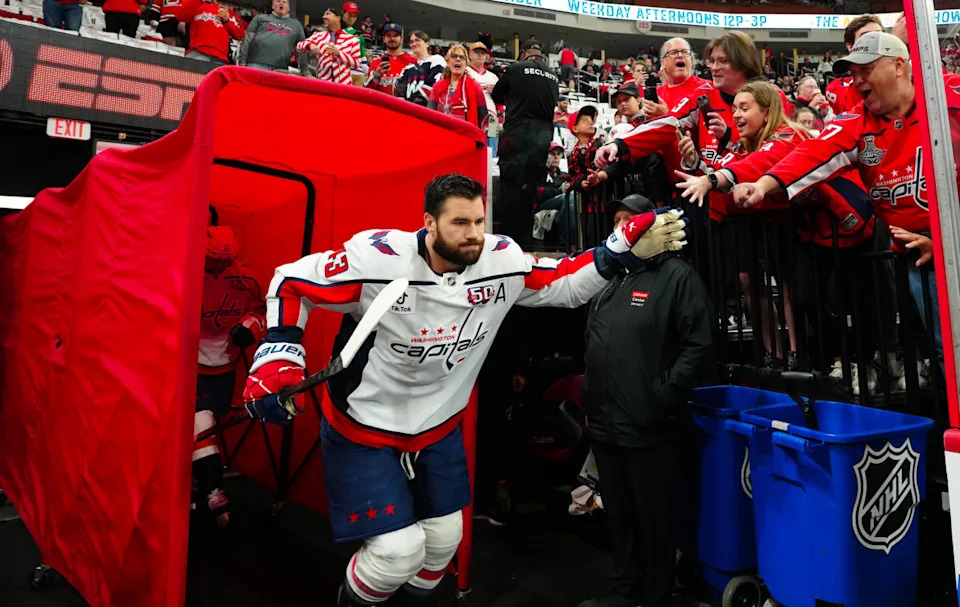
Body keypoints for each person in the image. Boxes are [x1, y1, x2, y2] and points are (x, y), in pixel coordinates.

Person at [241, 173, 688, 607]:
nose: (473, 234)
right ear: (429, 222)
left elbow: (566, 284)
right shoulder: (379, 259)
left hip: (439, 427)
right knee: (396, 553)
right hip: (366, 427)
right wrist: (280, 352)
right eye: (459, 223)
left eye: (478, 221)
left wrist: (619, 251)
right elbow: (291, 281)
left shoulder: (500, 260)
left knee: (442, 543)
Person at [733, 32, 960, 376]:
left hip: (950, 243)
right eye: (853, 74)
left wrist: (947, 242)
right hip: (917, 253)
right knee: (947, 349)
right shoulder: (856, 123)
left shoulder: (949, 96)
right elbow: (812, 154)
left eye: (866, 69)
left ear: (899, 66)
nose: (857, 81)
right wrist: (763, 186)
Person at [578, 193, 713, 607]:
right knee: (618, 518)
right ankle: (624, 592)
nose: (622, 227)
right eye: (616, 220)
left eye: (630, 219)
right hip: (605, 423)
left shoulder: (678, 277)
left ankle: (656, 595)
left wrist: (664, 393)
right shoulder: (609, 278)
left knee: (653, 519)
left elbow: (699, 345)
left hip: (649, 424)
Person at [195, 226, 266, 529]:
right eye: (213, 259)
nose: (219, 266)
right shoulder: (185, 273)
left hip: (225, 366)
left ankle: (204, 485)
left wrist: (249, 327)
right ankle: (212, 490)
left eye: (225, 260)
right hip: (187, 364)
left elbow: (262, 311)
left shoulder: (246, 278)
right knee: (200, 426)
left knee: (207, 426)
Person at [491, 38, 560, 247]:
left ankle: (506, 242)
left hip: (518, 131)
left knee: (510, 187)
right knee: (531, 189)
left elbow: (496, 94)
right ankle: (525, 243)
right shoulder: (553, 75)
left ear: (523, 53)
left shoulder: (517, 68)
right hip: (542, 137)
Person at [825, 14, 884, 116]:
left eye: (879, 35)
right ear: (850, 46)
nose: (875, 40)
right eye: (866, 36)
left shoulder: (904, 71)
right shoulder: (836, 87)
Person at [428, 45, 488, 129]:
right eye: (454, 56)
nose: (458, 59)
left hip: (466, 136)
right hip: (442, 134)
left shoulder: (475, 87)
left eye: (462, 57)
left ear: (466, 64)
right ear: (448, 63)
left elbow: (484, 118)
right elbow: (429, 115)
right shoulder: (437, 87)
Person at [296, 7, 361, 84]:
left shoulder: (352, 39)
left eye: (327, 14)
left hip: (344, 86)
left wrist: (339, 54)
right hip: (323, 84)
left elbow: (357, 63)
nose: (324, 17)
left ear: (337, 18)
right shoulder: (319, 36)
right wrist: (310, 45)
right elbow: (299, 46)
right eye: (324, 15)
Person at [238, 0, 305, 72]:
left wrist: (305, 70)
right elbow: (247, 40)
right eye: (278, 1)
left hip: (281, 68)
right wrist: (242, 62)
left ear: (288, 8)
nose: (281, 3)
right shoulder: (259, 18)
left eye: (284, 2)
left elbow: (302, 48)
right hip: (256, 63)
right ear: (273, 6)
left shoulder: (296, 25)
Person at [175, 0, 246, 64]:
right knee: (192, 77)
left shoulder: (226, 11)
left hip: (220, 57)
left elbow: (240, 35)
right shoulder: (196, 3)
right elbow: (180, 16)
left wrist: (227, 21)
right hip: (197, 51)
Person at [466, 42, 500, 156]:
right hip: (472, 115)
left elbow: (500, 101)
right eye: (476, 52)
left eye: (482, 53)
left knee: (492, 152)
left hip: (492, 117)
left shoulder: (493, 76)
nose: (480, 55)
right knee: (472, 149)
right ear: (470, 55)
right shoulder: (465, 72)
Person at [396, 30, 446, 107]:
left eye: (417, 40)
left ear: (427, 43)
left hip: (426, 110)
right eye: (411, 42)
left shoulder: (437, 60)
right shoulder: (407, 69)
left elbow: (434, 85)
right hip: (407, 111)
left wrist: (415, 104)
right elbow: (400, 92)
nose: (414, 44)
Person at [367, 23, 416, 96]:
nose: (392, 39)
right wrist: (376, 75)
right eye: (388, 36)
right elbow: (369, 92)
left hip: (404, 105)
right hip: (382, 104)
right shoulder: (376, 62)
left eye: (395, 35)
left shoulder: (413, 61)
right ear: (384, 39)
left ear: (401, 39)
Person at [341, 2, 368, 85]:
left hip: (357, 72)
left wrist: (364, 64)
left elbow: (362, 52)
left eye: (354, 16)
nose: (352, 19)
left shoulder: (358, 34)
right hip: (340, 71)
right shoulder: (335, 31)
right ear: (343, 13)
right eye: (350, 15)